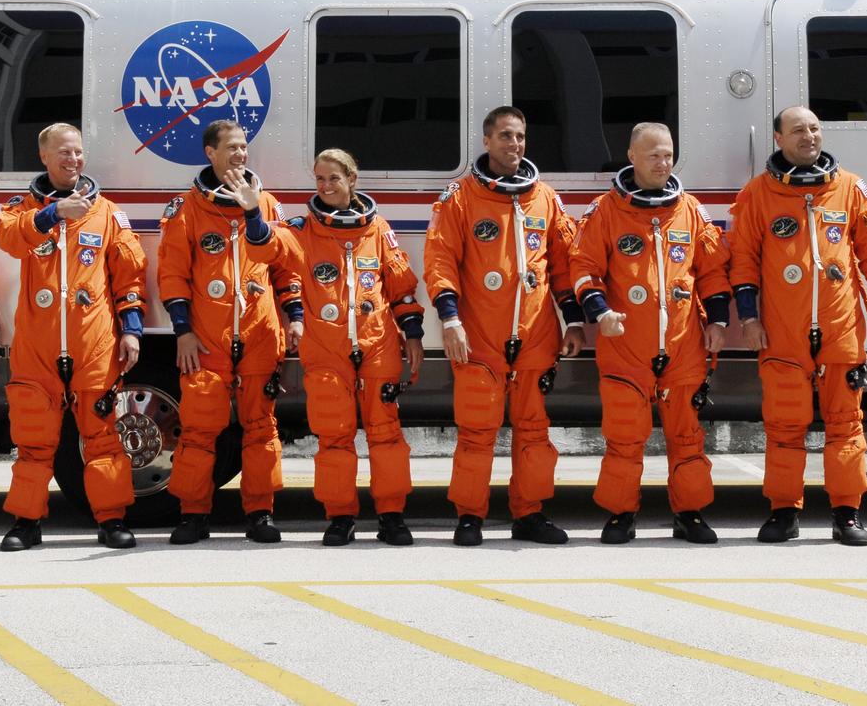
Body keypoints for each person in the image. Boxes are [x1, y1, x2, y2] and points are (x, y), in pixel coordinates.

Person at [225, 148, 424, 546]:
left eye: (333, 178)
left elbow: (401, 285)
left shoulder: (378, 229)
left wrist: (413, 333)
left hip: (378, 345)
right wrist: (251, 213)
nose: (326, 186)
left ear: (352, 179)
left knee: (386, 435)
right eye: (319, 179)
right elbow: (267, 250)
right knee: (333, 436)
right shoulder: (304, 229)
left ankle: (391, 516)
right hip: (326, 349)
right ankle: (340, 516)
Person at [729, 106, 867, 546]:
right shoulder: (758, 195)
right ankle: (784, 512)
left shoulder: (849, 189)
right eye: (798, 130)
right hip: (782, 331)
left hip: (842, 327)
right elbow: (743, 262)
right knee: (785, 424)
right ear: (778, 139)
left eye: (814, 128)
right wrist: (748, 318)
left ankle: (847, 514)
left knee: (846, 422)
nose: (809, 136)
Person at [423, 106, 586, 546]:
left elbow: (563, 266)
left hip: (535, 334)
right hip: (478, 334)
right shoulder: (460, 197)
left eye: (520, 137)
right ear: (487, 141)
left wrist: (573, 321)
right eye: (506, 136)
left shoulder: (545, 199)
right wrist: (450, 320)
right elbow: (439, 261)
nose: (514, 144)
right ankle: (470, 516)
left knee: (534, 431)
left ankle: (529, 514)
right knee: (478, 431)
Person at [568, 123, 730, 544]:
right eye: (654, 155)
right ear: (632, 157)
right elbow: (584, 268)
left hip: (683, 344)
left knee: (687, 435)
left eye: (669, 154)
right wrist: (600, 313)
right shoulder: (605, 211)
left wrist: (717, 321)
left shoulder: (690, 211)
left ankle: (690, 513)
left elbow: (712, 271)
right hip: (625, 343)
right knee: (624, 435)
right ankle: (621, 514)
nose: (663, 163)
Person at [0, 123, 147, 551]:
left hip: (94, 339)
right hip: (38, 343)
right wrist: (52, 214)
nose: (73, 160)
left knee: (101, 433)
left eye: (78, 152)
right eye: (63, 153)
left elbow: (129, 274)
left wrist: (131, 330)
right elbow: (8, 239)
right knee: (34, 436)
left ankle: (111, 519)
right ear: (43, 157)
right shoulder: (21, 208)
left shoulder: (107, 212)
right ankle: (26, 522)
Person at [158, 120, 304, 545]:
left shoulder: (268, 204)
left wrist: (294, 314)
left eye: (244, 147)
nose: (241, 154)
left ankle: (260, 513)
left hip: (259, 332)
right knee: (201, 428)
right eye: (232, 148)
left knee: (261, 426)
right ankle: (192, 514)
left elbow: (286, 266)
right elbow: (172, 275)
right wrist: (182, 331)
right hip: (207, 337)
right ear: (210, 153)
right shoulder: (187, 209)